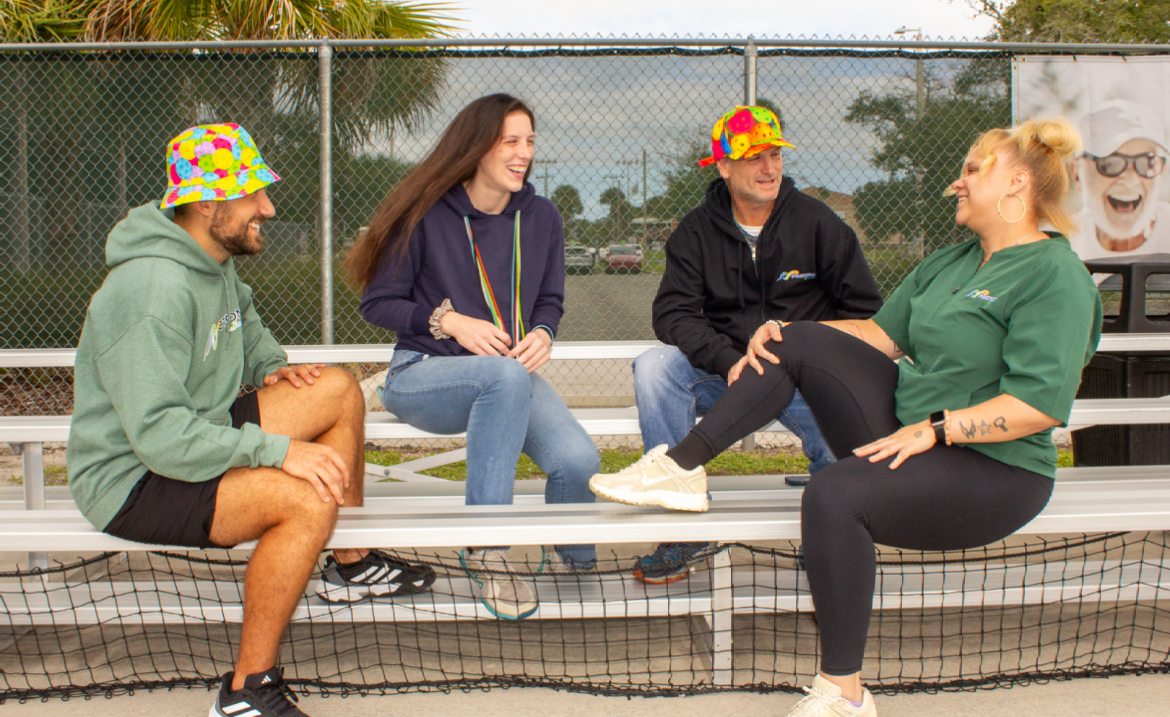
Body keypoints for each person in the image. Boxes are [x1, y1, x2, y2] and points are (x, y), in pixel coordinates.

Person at [592, 118, 1102, 716]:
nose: (955, 184)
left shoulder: (1056, 277)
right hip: (912, 436)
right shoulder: (952, 262)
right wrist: (780, 337)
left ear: (1016, 185)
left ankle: (844, 695)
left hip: (995, 468)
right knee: (792, 337)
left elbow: (1037, 408)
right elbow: (875, 334)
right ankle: (679, 468)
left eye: (971, 170)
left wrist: (936, 428)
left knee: (833, 492)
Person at [67, 124, 435, 717]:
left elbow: (250, 335)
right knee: (306, 500)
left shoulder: (214, 265)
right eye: (253, 194)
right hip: (134, 476)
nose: (267, 206)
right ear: (209, 204)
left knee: (336, 389)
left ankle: (352, 563)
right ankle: (246, 692)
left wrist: (272, 369)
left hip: (197, 427)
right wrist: (279, 451)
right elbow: (160, 437)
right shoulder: (151, 288)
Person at [347, 93, 600, 621]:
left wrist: (545, 333)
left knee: (578, 462)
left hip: (505, 378)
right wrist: (449, 321)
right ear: (477, 146)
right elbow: (378, 303)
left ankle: (571, 556)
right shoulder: (426, 214)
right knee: (504, 378)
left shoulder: (542, 217)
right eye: (511, 140)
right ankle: (489, 546)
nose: (524, 152)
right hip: (420, 374)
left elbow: (550, 299)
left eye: (529, 141)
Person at [609, 105, 883, 584]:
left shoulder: (820, 224)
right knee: (655, 367)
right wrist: (727, 358)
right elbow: (672, 313)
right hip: (728, 373)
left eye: (774, 154)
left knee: (837, 428)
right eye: (753, 156)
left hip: (805, 380)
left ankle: (829, 539)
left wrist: (810, 353)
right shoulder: (695, 231)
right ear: (723, 166)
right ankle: (682, 528)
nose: (769, 168)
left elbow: (865, 313)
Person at [1070, 99, 1170, 259]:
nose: (1131, 181)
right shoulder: (1063, 244)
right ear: (1078, 174)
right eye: (1110, 163)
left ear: (1162, 172)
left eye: (1146, 162)